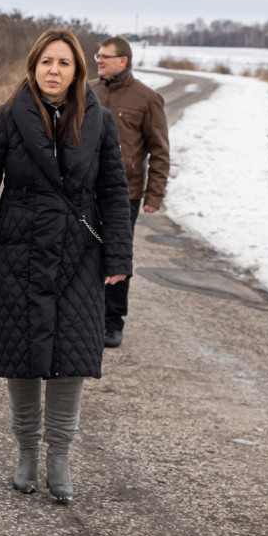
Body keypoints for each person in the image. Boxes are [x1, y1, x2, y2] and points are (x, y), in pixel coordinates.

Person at [0, 29, 132, 505]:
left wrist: (118, 255)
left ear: (77, 70)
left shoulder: (99, 121)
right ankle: (26, 452)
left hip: (79, 252)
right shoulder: (6, 118)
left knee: (70, 359)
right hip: (16, 248)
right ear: (33, 67)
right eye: (45, 62)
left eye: (63, 63)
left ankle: (60, 454)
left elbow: (115, 191)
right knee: (21, 355)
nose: (53, 70)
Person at [90, 36, 170, 348]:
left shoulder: (147, 99)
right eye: (98, 56)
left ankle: (113, 322)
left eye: (105, 57)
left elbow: (160, 151)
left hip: (126, 194)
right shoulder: (89, 92)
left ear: (123, 60)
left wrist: (154, 195)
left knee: (116, 255)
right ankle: (86, 315)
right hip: (85, 190)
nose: (99, 60)